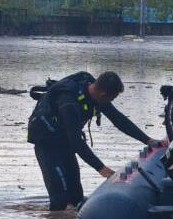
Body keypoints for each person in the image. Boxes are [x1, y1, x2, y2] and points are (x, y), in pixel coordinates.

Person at [27, 71, 154, 211]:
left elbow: (118, 119)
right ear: (104, 94)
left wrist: (147, 140)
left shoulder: (96, 94)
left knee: (76, 197)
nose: (110, 103)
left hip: (65, 141)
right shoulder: (69, 102)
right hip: (47, 143)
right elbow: (77, 142)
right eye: (111, 99)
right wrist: (102, 169)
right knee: (59, 200)